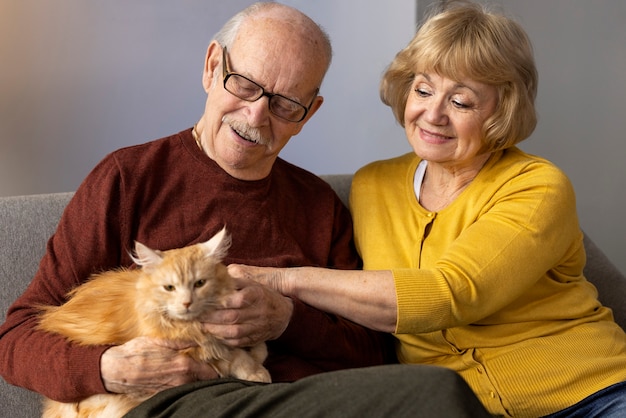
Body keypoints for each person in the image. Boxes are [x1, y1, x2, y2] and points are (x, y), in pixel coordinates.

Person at [0, 2, 493, 417]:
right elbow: (16, 338)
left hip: (293, 397)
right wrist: (107, 367)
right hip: (172, 396)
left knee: (435, 391)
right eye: (244, 83)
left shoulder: (318, 205)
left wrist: (286, 319)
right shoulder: (129, 178)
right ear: (213, 66)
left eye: (284, 104)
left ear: (309, 114)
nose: (256, 114)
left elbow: (374, 352)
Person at [229, 1, 626, 417]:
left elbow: (449, 294)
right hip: (453, 407)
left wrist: (279, 281)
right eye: (423, 90)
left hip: (590, 398)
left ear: (501, 112)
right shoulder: (371, 187)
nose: (433, 115)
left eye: (462, 101)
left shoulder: (537, 186)